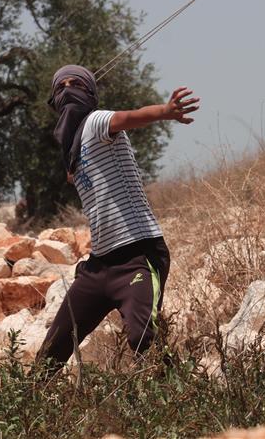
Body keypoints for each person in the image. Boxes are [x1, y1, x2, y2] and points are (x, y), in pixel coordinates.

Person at [37, 64, 200, 368]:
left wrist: (165, 110)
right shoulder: (73, 151)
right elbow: (75, 174)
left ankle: (182, 400)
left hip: (138, 256)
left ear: (90, 94)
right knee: (49, 355)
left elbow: (128, 117)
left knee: (145, 342)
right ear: (54, 101)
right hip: (98, 267)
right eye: (61, 87)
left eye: (76, 84)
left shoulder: (96, 122)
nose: (68, 90)